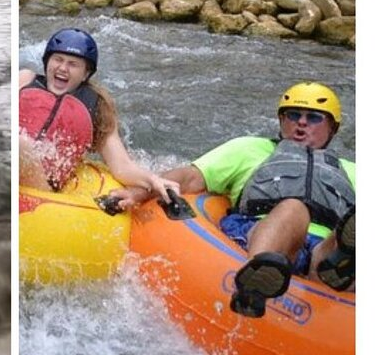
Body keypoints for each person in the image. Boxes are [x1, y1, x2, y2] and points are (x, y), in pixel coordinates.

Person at [112, 81, 355, 318]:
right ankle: (255, 280)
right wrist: (139, 191)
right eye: (293, 115)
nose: (301, 123)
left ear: (332, 128)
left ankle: (337, 269)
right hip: (267, 231)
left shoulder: (354, 171)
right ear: (281, 121)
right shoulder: (249, 149)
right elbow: (189, 178)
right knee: (294, 209)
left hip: (324, 250)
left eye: (313, 117)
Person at [19, 27, 179, 202]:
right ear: (47, 62)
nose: (63, 68)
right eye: (58, 59)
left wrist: (152, 180)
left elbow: (121, 165)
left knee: (21, 145)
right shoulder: (25, 80)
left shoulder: (96, 106)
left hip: (41, 185)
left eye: (73, 64)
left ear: (85, 73)